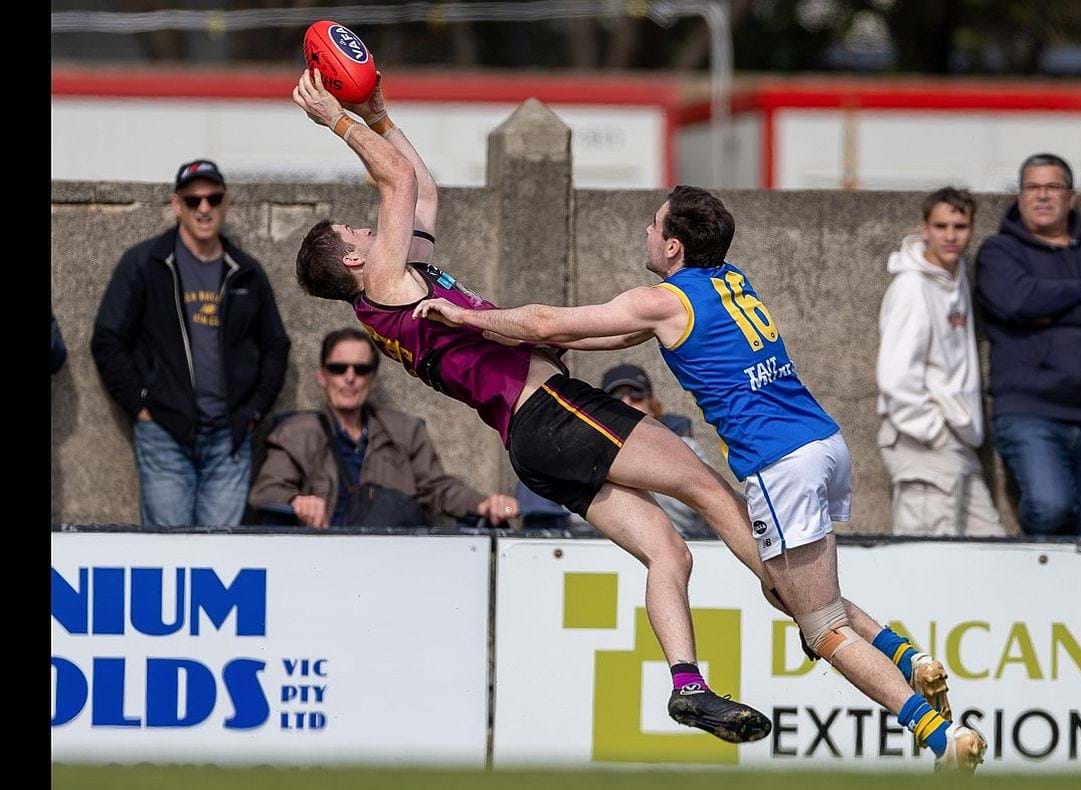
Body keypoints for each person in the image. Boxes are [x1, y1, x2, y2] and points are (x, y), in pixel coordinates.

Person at [416, 185, 988, 771]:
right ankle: (907, 656)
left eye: (653, 225)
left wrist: (464, 316)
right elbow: (605, 334)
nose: (645, 232)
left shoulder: (665, 300)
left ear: (672, 246)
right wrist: (538, 338)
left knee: (821, 629)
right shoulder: (730, 279)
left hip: (780, 463)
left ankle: (940, 737)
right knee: (791, 588)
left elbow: (548, 319)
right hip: (824, 442)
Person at [287, 68, 770, 743]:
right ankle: (800, 603)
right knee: (706, 487)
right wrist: (338, 120)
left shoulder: (399, 285)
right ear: (351, 261)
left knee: (669, 551)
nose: (367, 228)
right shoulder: (386, 284)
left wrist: (379, 113)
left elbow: (424, 188)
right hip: (551, 410)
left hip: (534, 442)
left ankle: (688, 687)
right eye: (354, 231)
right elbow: (395, 179)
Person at [91, 158, 291, 527]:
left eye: (213, 199)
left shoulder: (246, 271)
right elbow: (108, 338)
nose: (203, 208)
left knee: (221, 551)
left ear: (226, 203)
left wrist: (252, 414)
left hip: (229, 438)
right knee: (169, 548)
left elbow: (275, 345)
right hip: (164, 433)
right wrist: (141, 406)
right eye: (193, 200)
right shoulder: (146, 263)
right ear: (176, 205)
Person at [974, 152, 1081, 538]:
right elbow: (1016, 301)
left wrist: (1050, 307)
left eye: (1053, 186)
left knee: (1079, 532)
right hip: (1029, 410)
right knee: (1050, 506)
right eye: (1032, 187)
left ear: (1071, 197)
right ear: (1020, 196)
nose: (1042, 195)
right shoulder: (1000, 251)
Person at [248, 328, 520, 529]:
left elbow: (437, 488)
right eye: (339, 368)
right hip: (322, 555)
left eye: (361, 369)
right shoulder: (295, 432)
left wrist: (483, 504)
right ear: (323, 375)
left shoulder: (405, 430)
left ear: (373, 378)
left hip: (391, 557)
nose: (350, 378)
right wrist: (296, 501)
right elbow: (265, 492)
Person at [876, 187, 1003, 537]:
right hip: (923, 440)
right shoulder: (912, 287)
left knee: (991, 546)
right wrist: (934, 431)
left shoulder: (954, 277)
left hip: (958, 442)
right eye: (941, 226)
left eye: (960, 226)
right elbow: (895, 375)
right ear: (924, 229)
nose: (950, 236)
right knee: (926, 555)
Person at [600, 363, 712, 538]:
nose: (626, 403)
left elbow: (708, 503)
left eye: (636, 395)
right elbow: (576, 519)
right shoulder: (591, 455)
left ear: (651, 405)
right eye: (615, 398)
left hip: (685, 540)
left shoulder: (686, 449)